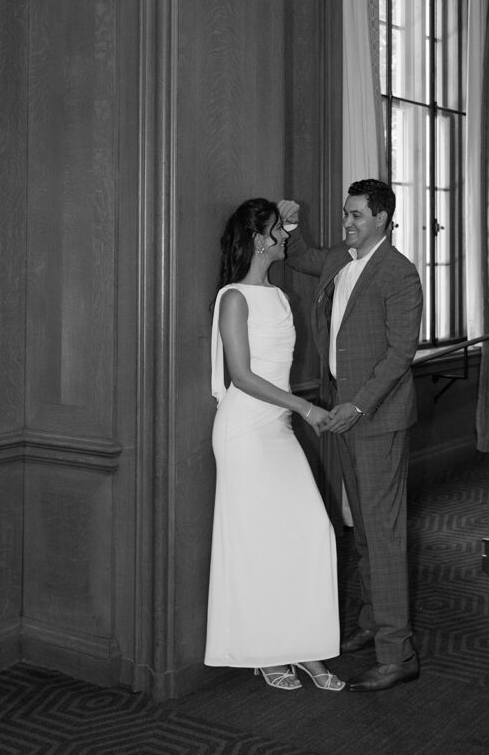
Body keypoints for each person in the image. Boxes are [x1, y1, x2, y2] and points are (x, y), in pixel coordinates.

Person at [279, 180, 423, 692]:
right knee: (361, 528)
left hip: (374, 418)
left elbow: (400, 354)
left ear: (382, 218)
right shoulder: (343, 256)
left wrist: (357, 406)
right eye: (346, 214)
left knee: (382, 536)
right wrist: (289, 222)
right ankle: (370, 623)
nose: (348, 222)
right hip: (340, 408)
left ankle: (396, 652)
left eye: (357, 216)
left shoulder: (399, 274)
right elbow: (300, 257)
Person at [204, 198, 344, 692]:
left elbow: (273, 371)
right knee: (257, 541)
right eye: (277, 232)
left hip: (278, 429)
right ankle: (264, 650)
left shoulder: (280, 297)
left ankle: (305, 646)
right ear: (259, 240)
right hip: (244, 431)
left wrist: (297, 411)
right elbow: (240, 376)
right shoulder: (234, 297)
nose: (285, 237)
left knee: (310, 532)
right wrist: (306, 409)